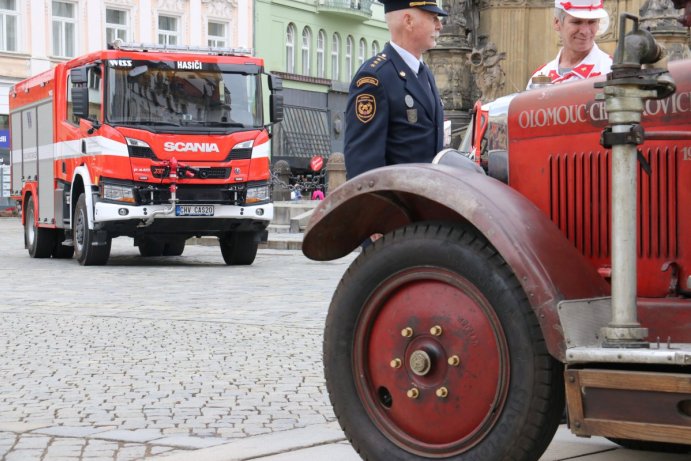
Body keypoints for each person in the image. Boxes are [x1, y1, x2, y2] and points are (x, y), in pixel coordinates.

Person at [344, 0, 448, 179]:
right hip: (398, 202)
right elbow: (364, 166)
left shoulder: (424, 73)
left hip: (426, 199)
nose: (439, 26)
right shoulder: (375, 78)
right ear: (408, 21)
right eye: (433, 18)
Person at [527, 0, 612, 88]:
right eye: (577, 22)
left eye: (592, 22)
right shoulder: (540, 76)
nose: (585, 31)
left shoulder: (611, 71)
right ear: (557, 22)